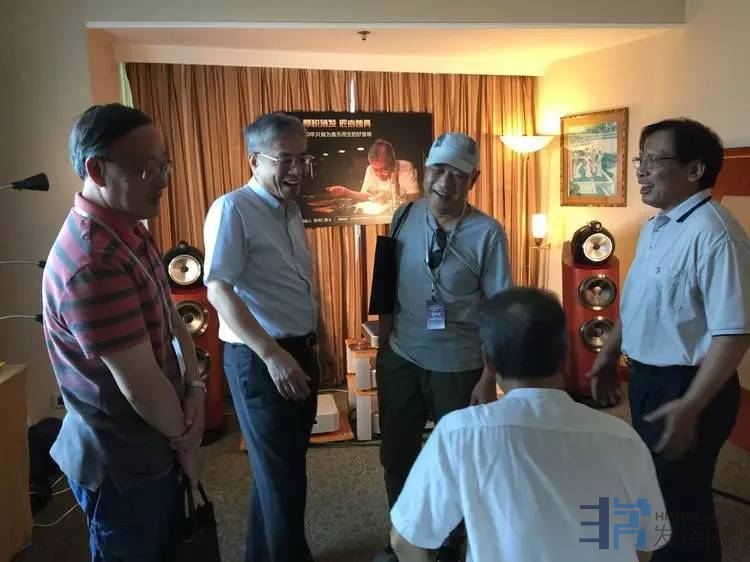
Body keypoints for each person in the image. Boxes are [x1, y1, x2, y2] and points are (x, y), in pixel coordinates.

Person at [391, 287, 671, 562]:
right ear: (566, 355)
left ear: (489, 360)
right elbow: (645, 544)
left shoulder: (459, 435)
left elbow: (404, 541)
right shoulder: (624, 439)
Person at [42, 103, 205, 561]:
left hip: (156, 441)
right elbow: (142, 388)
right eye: (146, 168)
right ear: (97, 169)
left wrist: (194, 387)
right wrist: (187, 444)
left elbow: (173, 319)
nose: (163, 179)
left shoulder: (129, 230)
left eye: (165, 164)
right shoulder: (94, 261)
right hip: (124, 464)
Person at [588, 118, 750, 561]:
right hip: (650, 382)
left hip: (690, 387)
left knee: (684, 503)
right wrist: (608, 354)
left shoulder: (716, 235)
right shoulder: (657, 226)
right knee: (661, 489)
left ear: (694, 169)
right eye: (639, 159)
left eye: (653, 160)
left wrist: (691, 405)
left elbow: (734, 333)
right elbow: (640, 303)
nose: (640, 170)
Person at [373, 132, 512, 562]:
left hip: (459, 365)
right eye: (438, 169)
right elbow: (387, 282)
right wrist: (384, 347)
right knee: (397, 454)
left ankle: (451, 543)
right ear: (425, 170)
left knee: (457, 460)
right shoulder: (404, 215)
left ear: (474, 180)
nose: (445, 182)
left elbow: (499, 309)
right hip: (402, 356)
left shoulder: (487, 233)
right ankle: (403, 536)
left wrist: (489, 376)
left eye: (458, 174)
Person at [204, 112, 333, 562]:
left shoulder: (290, 210)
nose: (297, 170)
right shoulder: (233, 209)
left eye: (303, 159)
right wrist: (272, 354)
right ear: (255, 161)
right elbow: (218, 289)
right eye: (286, 160)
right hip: (260, 359)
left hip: (297, 350)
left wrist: (319, 341)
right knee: (283, 480)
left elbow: (299, 285)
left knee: (280, 469)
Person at [327, 139, 420, 204]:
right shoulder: (370, 169)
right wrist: (346, 192)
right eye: (376, 170)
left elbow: (414, 198)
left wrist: (387, 195)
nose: (379, 174)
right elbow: (367, 195)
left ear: (392, 161)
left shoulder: (405, 167)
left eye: (384, 169)